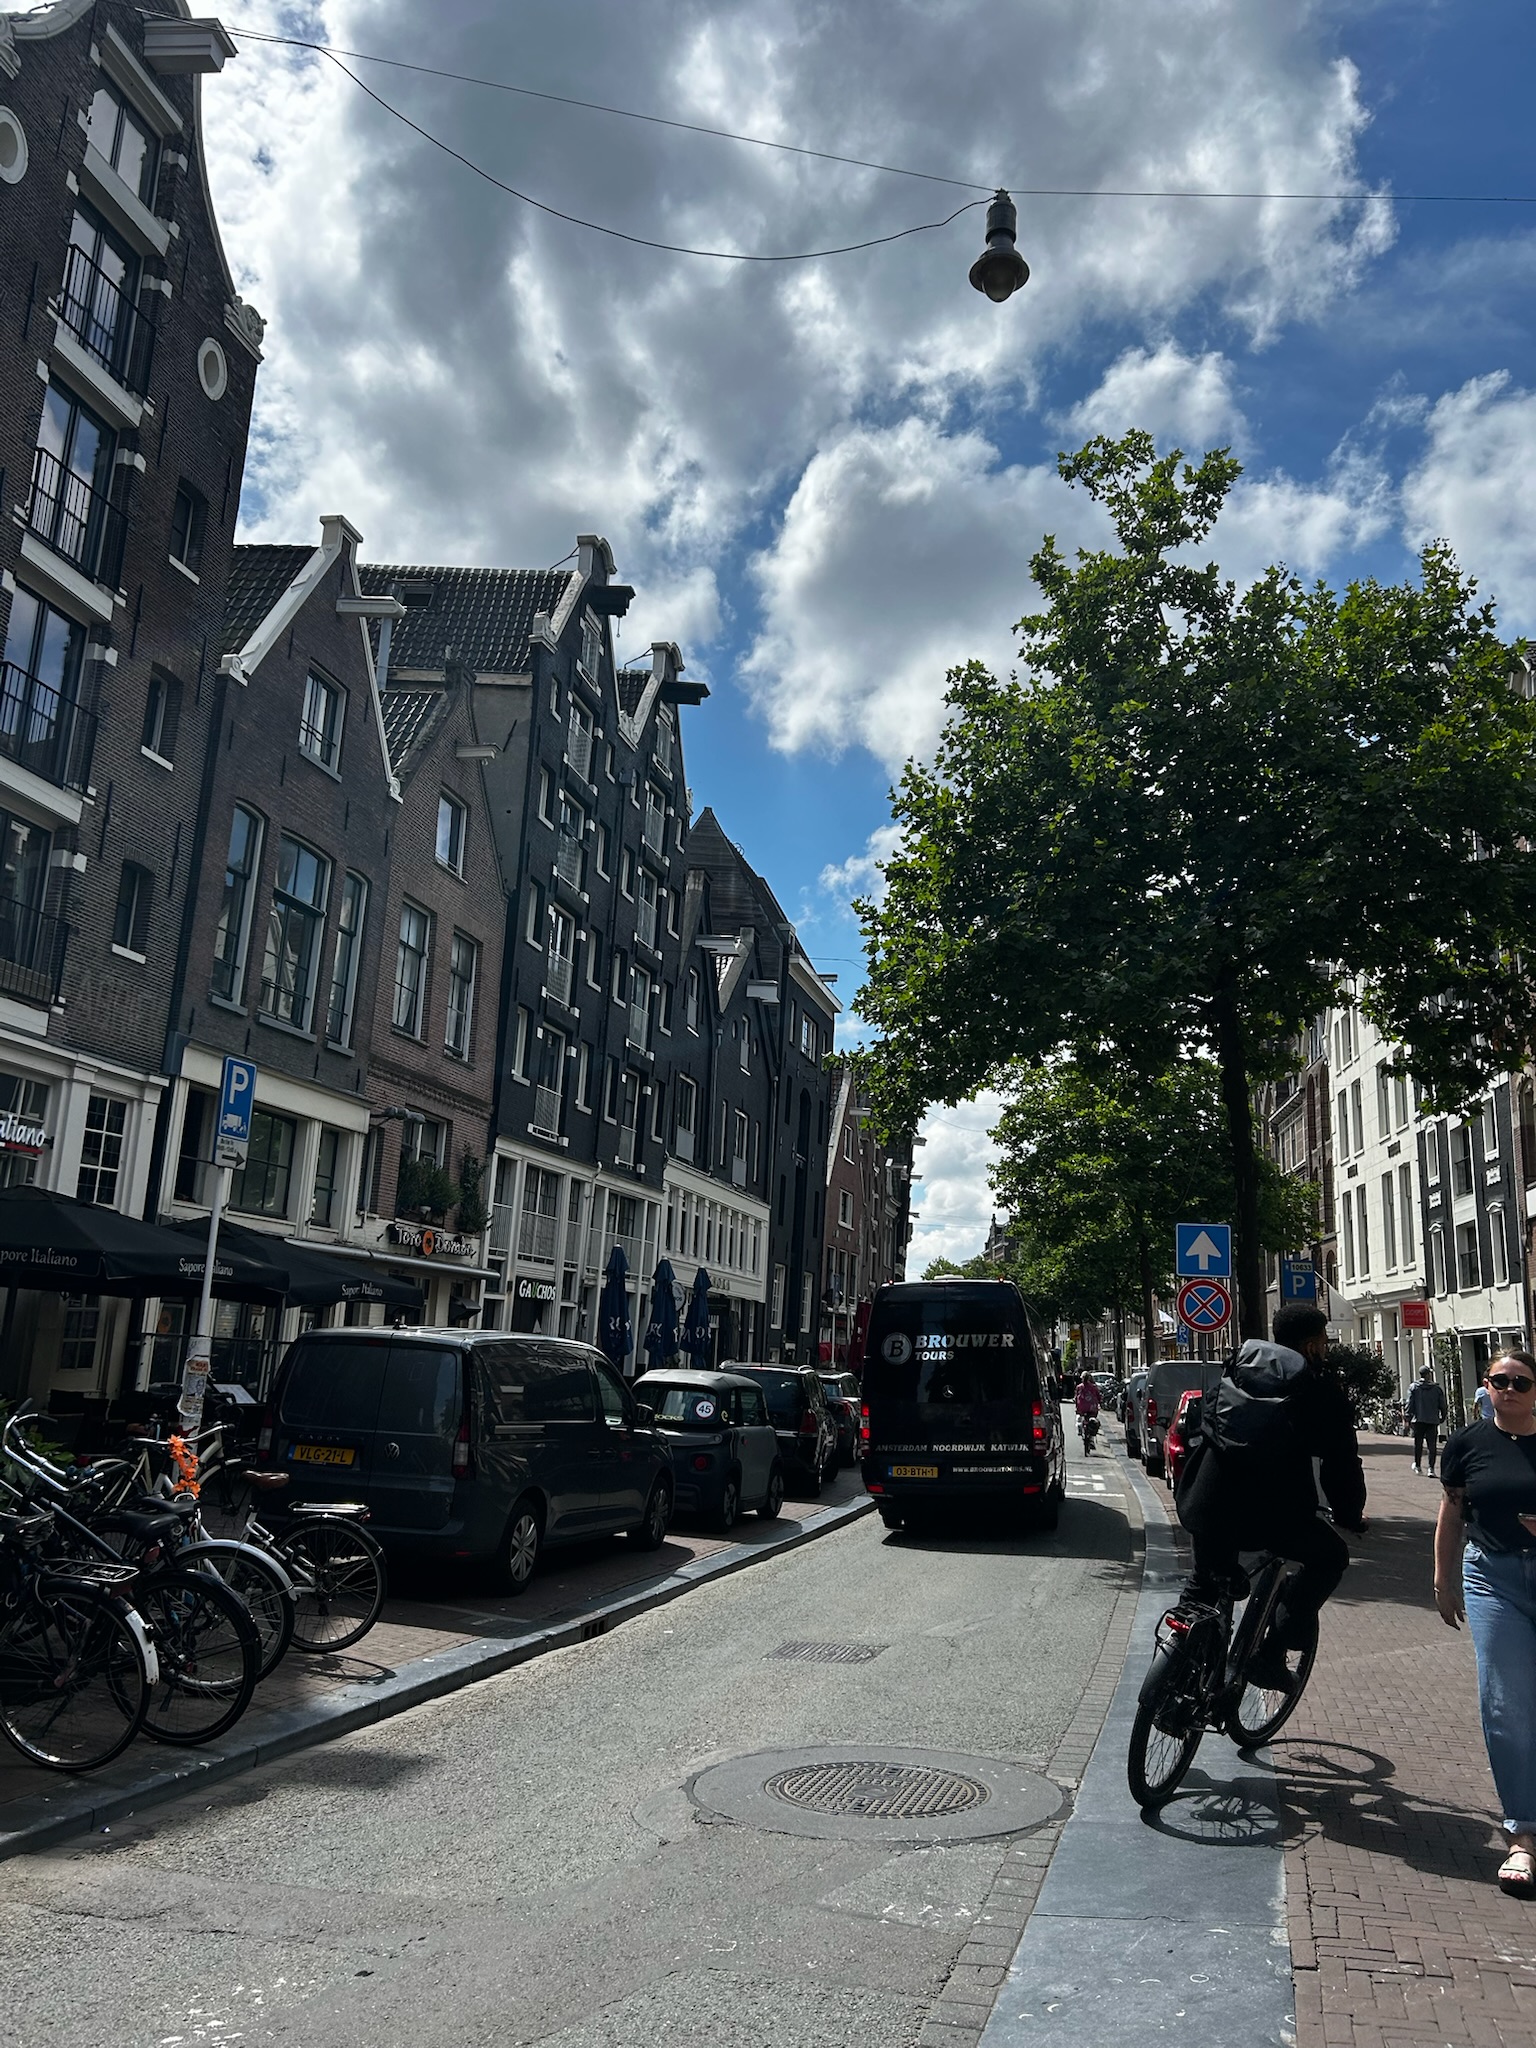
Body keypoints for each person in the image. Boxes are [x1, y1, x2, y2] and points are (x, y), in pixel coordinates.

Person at [1177, 1302, 1367, 1690]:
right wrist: (1350, 1514)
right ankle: (1270, 1654)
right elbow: (1341, 1465)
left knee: (1203, 1586)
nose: (1326, 1350)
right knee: (1331, 1557)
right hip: (1271, 1518)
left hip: (1205, 1502)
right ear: (1313, 1345)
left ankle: (1171, 1680)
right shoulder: (1321, 1390)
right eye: (1325, 1342)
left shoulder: (1239, 1366)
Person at [1435, 1351, 1536, 1898]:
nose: (1511, 1389)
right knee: (1506, 1702)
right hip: (1492, 1578)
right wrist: (1442, 1581)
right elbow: (1452, 1513)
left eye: (1522, 1381)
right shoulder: (1467, 1444)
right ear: (1486, 1386)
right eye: (1501, 1381)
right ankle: (1523, 1834)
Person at [1408, 1365, 1449, 1476]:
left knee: (1418, 1444)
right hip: (1432, 1420)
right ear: (1428, 1374)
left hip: (1418, 1420)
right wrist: (1443, 1416)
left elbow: (1410, 1404)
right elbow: (1443, 1404)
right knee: (1432, 1445)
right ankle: (1431, 1468)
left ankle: (1418, 1466)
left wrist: (1408, 1417)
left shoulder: (1414, 1387)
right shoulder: (1436, 1389)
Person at [1075, 1372, 1101, 1447]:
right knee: (1093, 1421)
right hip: (1092, 1408)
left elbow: (1076, 1397)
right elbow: (1099, 1397)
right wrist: (1098, 1403)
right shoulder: (1094, 1387)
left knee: (1080, 1419)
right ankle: (1092, 1439)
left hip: (1081, 1408)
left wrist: (1077, 1407)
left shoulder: (1079, 1387)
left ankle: (1080, 1430)